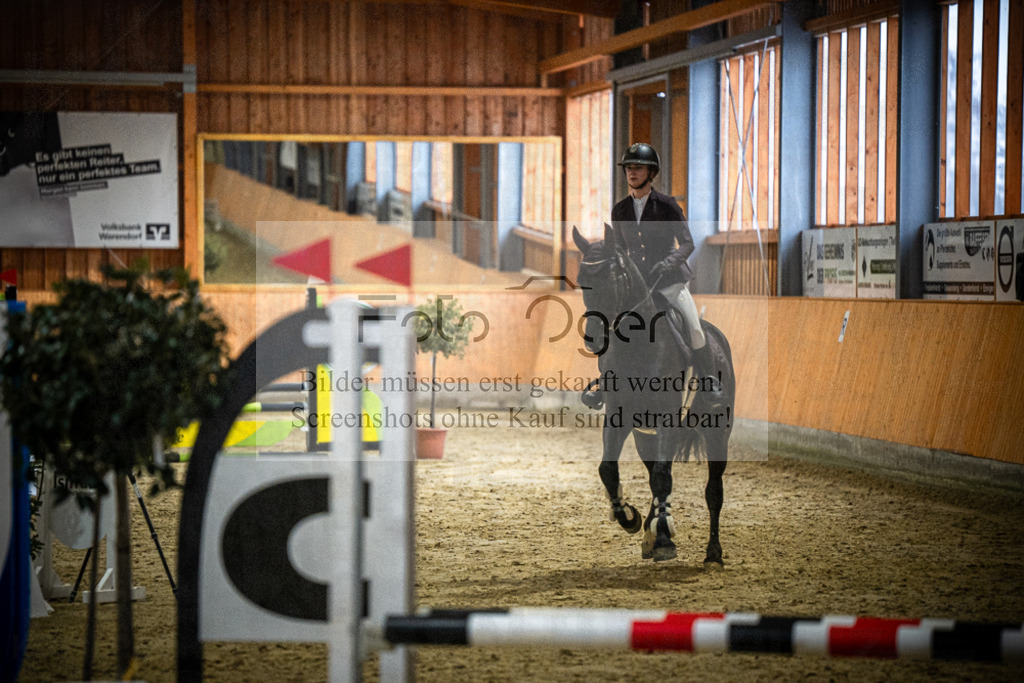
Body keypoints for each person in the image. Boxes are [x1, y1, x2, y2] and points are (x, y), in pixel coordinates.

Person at [581, 142, 718, 408]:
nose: (632, 172)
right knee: (612, 328)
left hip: (669, 282)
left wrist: (670, 261)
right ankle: (604, 384)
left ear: (650, 173)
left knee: (693, 326)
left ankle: (710, 380)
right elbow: (619, 248)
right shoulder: (620, 210)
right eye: (629, 168)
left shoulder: (667, 206)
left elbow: (688, 243)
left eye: (638, 168)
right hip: (636, 285)